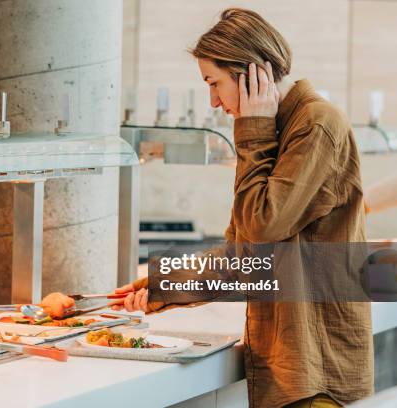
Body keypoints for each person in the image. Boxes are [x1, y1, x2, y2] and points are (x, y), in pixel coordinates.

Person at [108, 8, 373, 408]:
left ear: (250, 74)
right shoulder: (278, 129)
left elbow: (264, 224)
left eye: (214, 83)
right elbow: (244, 256)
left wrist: (252, 130)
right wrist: (162, 286)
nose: (214, 101)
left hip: (318, 373)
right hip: (292, 369)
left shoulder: (316, 124)